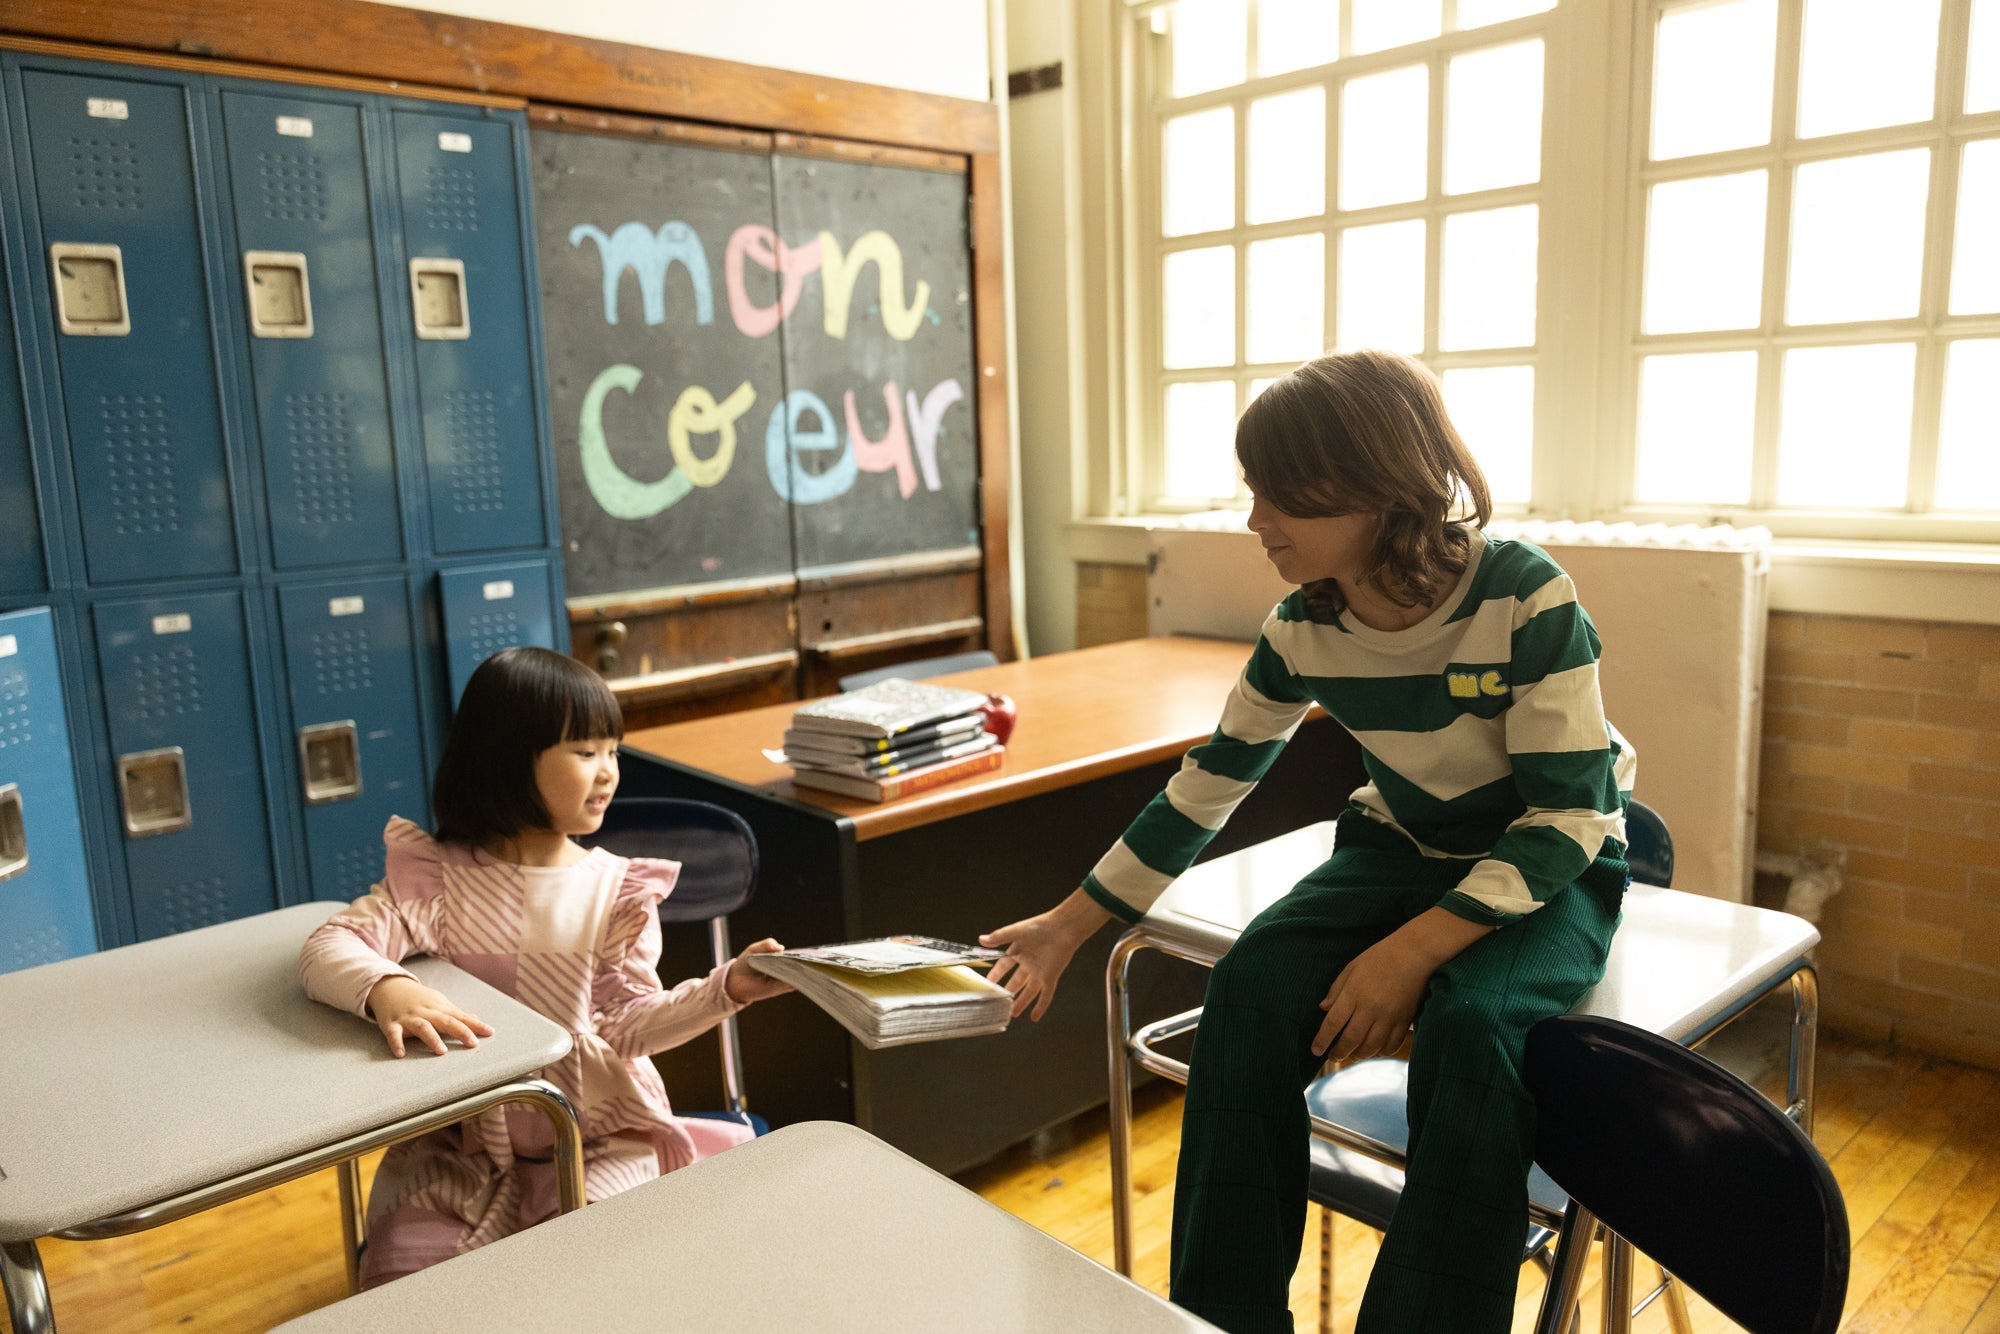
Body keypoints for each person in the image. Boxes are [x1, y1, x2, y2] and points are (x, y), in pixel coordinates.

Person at [982, 349, 1636, 1334]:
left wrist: (1405, 953)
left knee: (1468, 1029)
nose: (1257, 523)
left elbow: (1566, 818)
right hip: (1397, 843)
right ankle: (1220, 1316)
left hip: (1550, 862)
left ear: (1383, 486)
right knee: (1245, 990)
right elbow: (1206, 783)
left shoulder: (1524, 596)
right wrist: (1064, 929)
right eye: (1255, 491)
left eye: (1283, 495)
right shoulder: (1300, 628)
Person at [299, 645, 792, 1288]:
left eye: (612, 750)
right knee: (407, 1278)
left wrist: (728, 989)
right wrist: (387, 985)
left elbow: (629, 1026)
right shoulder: (438, 881)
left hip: (598, 1143)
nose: (610, 771)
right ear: (506, 759)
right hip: (462, 1151)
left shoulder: (616, 892)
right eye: (586, 752)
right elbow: (326, 948)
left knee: (602, 1278)